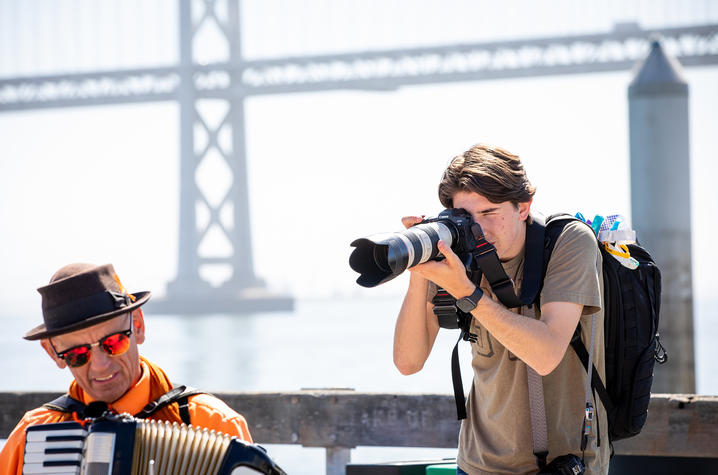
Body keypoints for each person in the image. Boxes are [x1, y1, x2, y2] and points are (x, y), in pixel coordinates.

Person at [393, 144, 610, 475]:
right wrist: (419, 270)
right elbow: (408, 362)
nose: (477, 229)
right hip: (475, 464)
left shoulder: (569, 243)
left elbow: (546, 354)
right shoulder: (457, 257)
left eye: (489, 213)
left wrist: (468, 292)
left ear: (523, 208)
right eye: (466, 218)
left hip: (560, 466)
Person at [0, 263, 253, 474]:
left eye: (113, 341)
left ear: (139, 326)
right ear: (53, 352)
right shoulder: (31, 434)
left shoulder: (213, 422)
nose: (100, 364)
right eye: (78, 354)